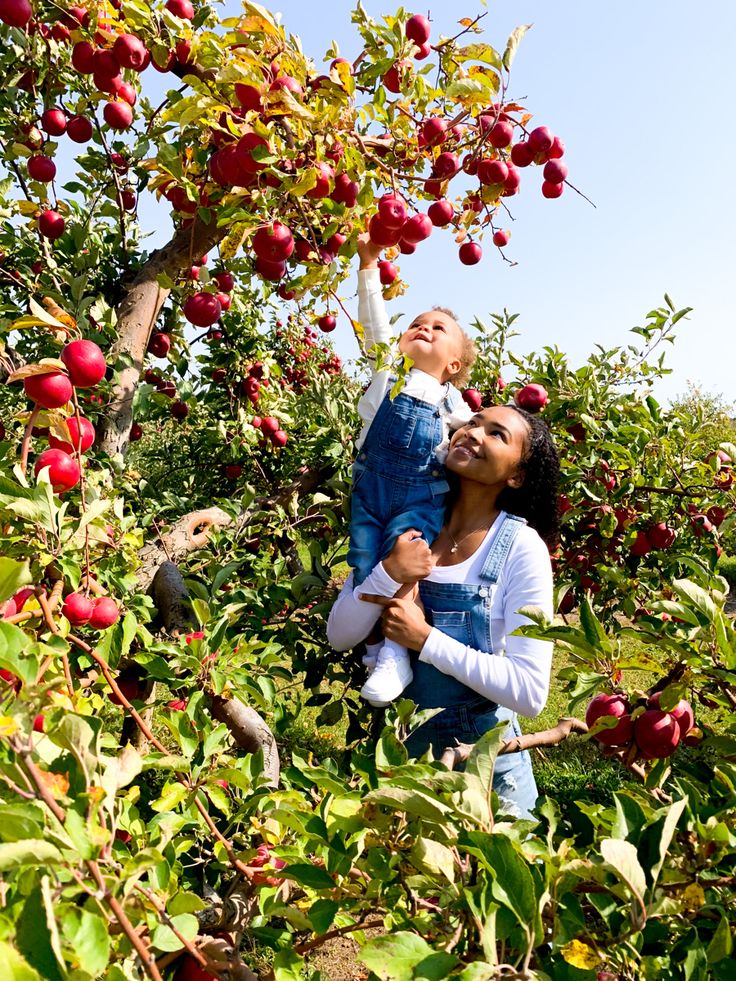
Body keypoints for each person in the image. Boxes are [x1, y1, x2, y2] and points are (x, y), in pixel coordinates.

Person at [328, 403, 560, 820]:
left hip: (484, 773)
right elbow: (340, 636)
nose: (474, 432)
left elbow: (529, 693)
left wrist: (424, 639)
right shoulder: (406, 526)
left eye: (497, 434)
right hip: (400, 761)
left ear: (516, 476)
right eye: (472, 422)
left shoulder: (521, 549)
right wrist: (387, 573)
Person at [349, 234, 477, 707]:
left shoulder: (455, 403)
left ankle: (394, 652)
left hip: (422, 496)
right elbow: (373, 323)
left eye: (438, 328)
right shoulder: (389, 372)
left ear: (454, 363)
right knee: (367, 563)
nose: (424, 328)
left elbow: (476, 440)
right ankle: (378, 644)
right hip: (369, 490)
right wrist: (368, 262)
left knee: (407, 561)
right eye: (417, 324)